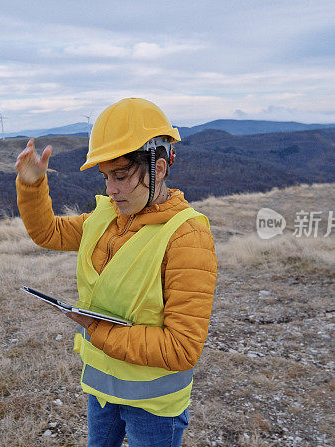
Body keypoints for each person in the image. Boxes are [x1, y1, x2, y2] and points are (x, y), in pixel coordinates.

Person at [15, 97, 217, 447]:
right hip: (102, 390)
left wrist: (95, 329)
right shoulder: (105, 217)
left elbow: (183, 348)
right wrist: (32, 185)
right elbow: (47, 232)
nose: (110, 188)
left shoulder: (188, 236)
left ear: (160, 167)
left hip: (153, 407)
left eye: (121, 175)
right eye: (106, 176)